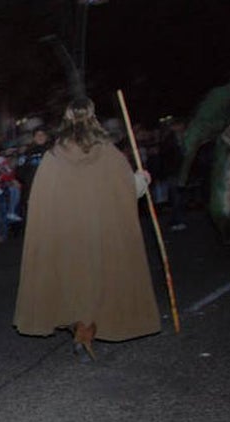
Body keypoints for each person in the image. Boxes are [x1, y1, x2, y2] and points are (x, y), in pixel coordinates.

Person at [13, 98, 160, 358]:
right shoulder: (108, 152)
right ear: (93, 117)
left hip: (67, 231)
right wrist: (142, 179)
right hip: (100, 230)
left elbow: (41, 198)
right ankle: (86, 327)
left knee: (74, 277)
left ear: (67, 118)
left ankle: (80, 325)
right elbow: (126, 190)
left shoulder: (54, 155)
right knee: (98, 277)